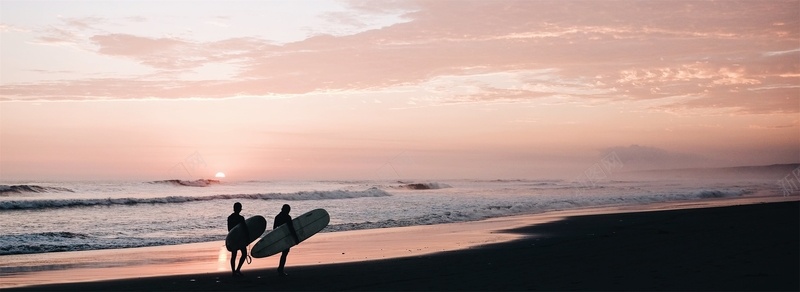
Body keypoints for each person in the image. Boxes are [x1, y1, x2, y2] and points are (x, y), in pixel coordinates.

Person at [274, 204, 300, 276]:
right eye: (288, 210)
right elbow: (291, 228)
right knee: (284, 253)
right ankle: (280, 269)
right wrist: (296, 238)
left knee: (284, 253)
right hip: (286, 237)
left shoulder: (277, 217)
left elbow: (274, 229)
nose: (288, 212)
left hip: (280, 237)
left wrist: (276, 239)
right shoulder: (288, 217)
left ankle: (280, 268)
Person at [227, 202, 249, 277]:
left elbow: (229, 229)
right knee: (244, 254)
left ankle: (234, 271)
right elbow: (245, 229)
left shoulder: (230, 217)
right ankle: (237, 270)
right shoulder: (241, 218)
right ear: (239, 209)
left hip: (233, 238)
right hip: (240, 238)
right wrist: (248, 238)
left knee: (234, 255)